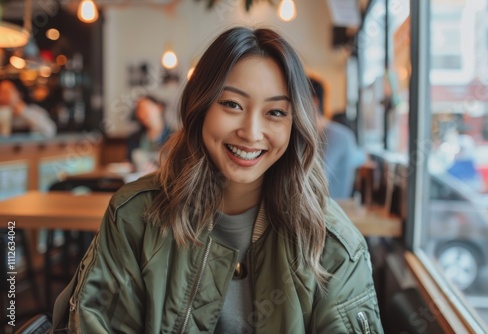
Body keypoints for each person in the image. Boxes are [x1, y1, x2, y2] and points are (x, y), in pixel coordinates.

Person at [52, 27, 383, 333]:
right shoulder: (134, 218)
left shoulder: (332, 244)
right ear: (200, 107)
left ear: (295, 124)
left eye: (276, 112)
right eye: (231, 104)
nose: (251, 132)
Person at [310, 77, 366, 199]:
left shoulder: (338, 136)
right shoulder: (313, 134)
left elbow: (314, 181)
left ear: (313, 102)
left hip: (330, 212)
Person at [127, 94, 174, 162]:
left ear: (159, 107)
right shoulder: (134, 138)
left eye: (145, 108)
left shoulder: (174, 136)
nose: (142, 114)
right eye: (139, 110)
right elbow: (129, 162)